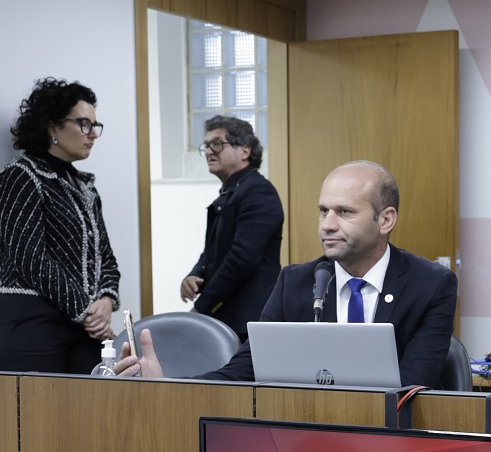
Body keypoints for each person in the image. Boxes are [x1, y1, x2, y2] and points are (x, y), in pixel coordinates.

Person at [122, 161, 457, 388]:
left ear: (385, 220)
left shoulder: (431, 284)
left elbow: (413, 386)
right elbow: (244, 371)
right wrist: (169, 386)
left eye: (344, 212)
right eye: (323, 211)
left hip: (393, 446)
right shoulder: (295, 283)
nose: (327, 224)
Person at [0, 78, 120, 373]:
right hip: (31, 321)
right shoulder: (19, 177)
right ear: (52, 127)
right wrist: (87, 310)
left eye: (95, 125)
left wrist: (106, 299)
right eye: (83, 124)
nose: (93, 134)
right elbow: (29, 259)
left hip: (82, 326)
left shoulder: (85, 186)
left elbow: (106, 257)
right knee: (35, 406)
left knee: (95, 402)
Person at [181, 115, 284, 341]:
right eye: (206, 146)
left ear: (244, 150)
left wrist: (202, 307)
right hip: (230, 318)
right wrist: (196, 273)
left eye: (217, 144)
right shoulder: (233, 191)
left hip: (249, 321)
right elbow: (215, 250)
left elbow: (241, 259)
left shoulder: (258, 192)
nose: (209, 151)